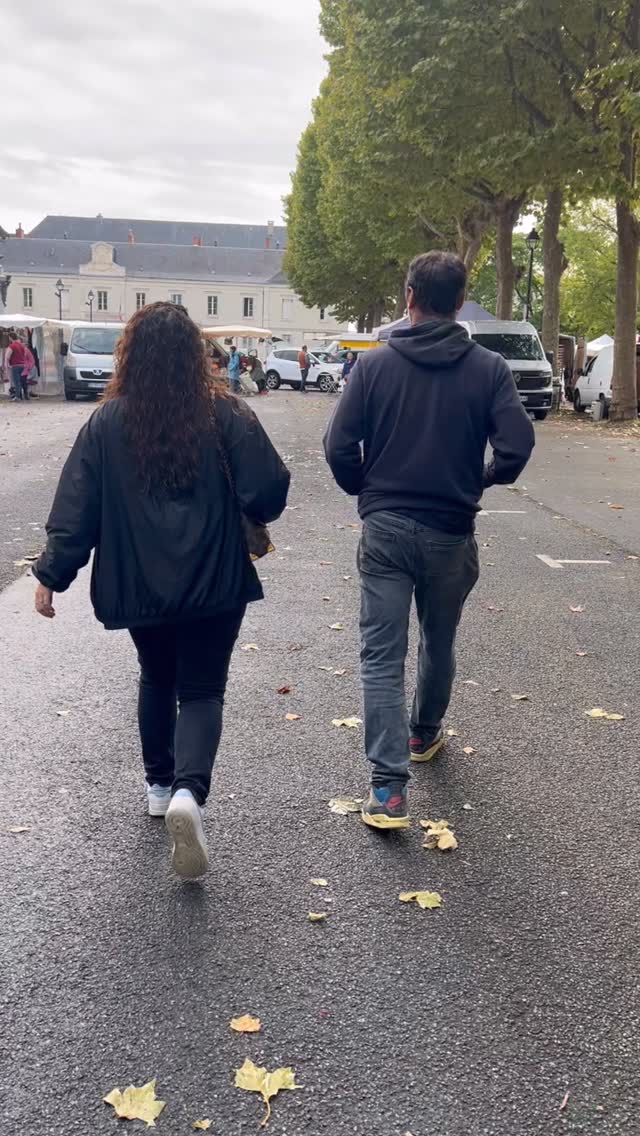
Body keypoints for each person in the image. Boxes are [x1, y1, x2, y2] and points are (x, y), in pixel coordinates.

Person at [33, 303, 290, 879]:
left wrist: (53, 574)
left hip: (139, 580)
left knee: (156, 675)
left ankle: (157, 784)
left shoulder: (106, 423)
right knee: (202, 689)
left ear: (130, 355)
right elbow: (269, 491)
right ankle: (188, 793)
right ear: (193, 355)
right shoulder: (226, 413)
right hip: (215, 577)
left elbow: (76, 508)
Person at [324, 251, 535, 830]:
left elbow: (338, 446)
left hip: (386, 527)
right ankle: (423, 733)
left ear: (410, 297)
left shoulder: (373, 367)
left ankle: (388, 789)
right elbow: (516, 446)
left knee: (381, 655)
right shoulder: (489, 369)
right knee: (438, 640)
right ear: (460, 301)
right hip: (450, 528)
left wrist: (365, 489)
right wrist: (482, 477)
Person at [5, 333, 31, 400]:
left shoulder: (11, 346)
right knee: (23, 381)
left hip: (15, 366)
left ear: (10, 338)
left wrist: (6, 365)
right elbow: (25, 354)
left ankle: (18, 396)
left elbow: (7, 357)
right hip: (23, 365)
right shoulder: (22, 345)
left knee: (17, 382)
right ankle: (25, 395)